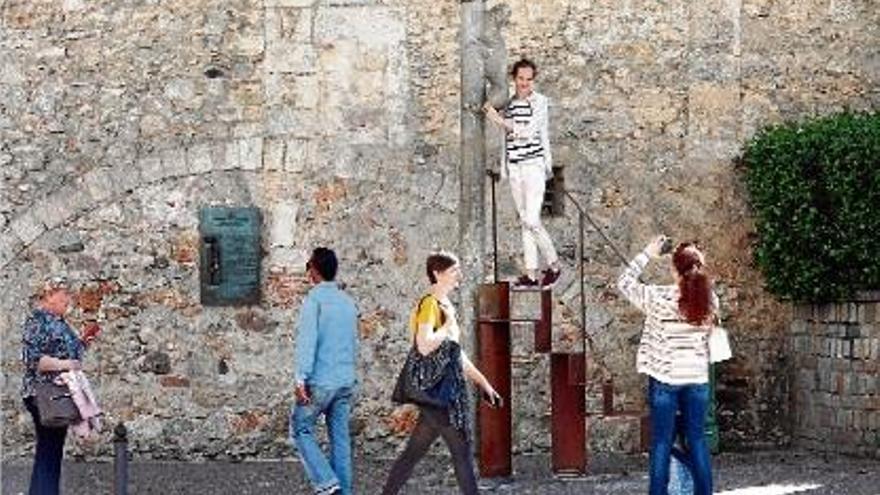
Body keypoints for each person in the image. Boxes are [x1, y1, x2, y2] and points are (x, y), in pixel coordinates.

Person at [382, 252, 502, 495]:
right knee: (462, 452)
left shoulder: (447, 305)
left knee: (414, 453)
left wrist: (484, 384)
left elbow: (455, 354)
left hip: (440, 394)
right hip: (439, 393)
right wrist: (446, 328)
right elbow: (424, 344)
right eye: (454, 270)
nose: (459, 275)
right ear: (437, 274)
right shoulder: (429, 304)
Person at [617, 237, 717, 495]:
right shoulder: (710, 300)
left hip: (665, 379)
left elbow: (625, 282)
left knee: (661, 442)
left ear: (674, 269)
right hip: (697, 380)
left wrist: (647, 253)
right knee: (697, 441)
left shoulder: (657, 297)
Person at [484, 58, 561, 288]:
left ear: (533, 80)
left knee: (531, 219)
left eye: (529, 79)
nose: (525, 83)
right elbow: (490, 103)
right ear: (514, 79)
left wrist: (498, 120)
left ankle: (555, 266)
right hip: (515, 167)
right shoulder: (508, 102)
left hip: (533, 165)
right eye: (521, 79)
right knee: (525, 222)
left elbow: (527, 132)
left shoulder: (540, 103)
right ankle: (531, 273)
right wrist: (496, 113)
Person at [290, 248, 359, 495]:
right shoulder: (348, 302)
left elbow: (307, 342)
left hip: (319, 381)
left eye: (309, 266)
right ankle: (343, 492)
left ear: (314, 270)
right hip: (344, 382)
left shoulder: (314, 301)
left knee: (300, 428)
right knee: (340, 440)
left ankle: (326, 481)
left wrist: (300, 378)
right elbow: (353, 343)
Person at [21, 276, 99, 495]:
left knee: (50, 449)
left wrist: (84, 342)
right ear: (49, 295)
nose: (69, 298)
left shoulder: (59, 322)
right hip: (44, 394)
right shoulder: (38, 320)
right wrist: (66, 363)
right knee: (50, 449)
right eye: (63, 293)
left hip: (59, 393)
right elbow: (34, 360)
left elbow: (69, 353)